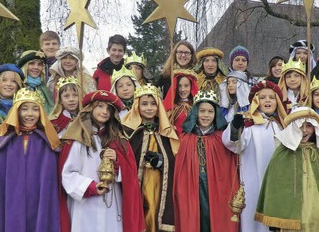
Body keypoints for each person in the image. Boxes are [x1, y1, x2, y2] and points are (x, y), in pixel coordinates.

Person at [58, 90, 145, 232]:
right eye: (99, 106)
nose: (104, 111)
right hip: (84, 205)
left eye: (108, 109)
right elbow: (67, 174)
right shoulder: (76, 139)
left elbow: (131, 175)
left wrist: (118, 162)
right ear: (90, 108)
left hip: (111, 204)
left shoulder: (119, 141)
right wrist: (90, 187)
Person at [256, 106, 319, 231]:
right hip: (289, 214)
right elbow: (274, 187)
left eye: (309, 126)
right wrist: (275, 219)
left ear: (315, 128)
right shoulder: (282, 152)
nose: (304, 130)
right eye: (300, 126)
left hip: (316, 210)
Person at [0, 88, 61, 231]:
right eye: (24, 109)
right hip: (12, 204)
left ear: (41, 113)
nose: (30, 114)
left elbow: (50, 184)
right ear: (16, 112)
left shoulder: (47, 144)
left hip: (38, 200)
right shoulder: (4, 144)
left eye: (35, 109)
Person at [223, 80, 288, 232]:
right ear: (256, 101)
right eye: (263, 97)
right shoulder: (249, 124)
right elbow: (232, 143)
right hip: (255, 185)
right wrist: (235, 127)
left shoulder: (283, 126)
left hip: (279, 184)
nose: (267, 101)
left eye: (271, 98)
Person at [174, 90, 239, 232]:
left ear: (216, 114)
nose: (206, 115)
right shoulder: (185, 138)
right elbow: (178, 167)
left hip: (218, 192)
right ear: (195, 113)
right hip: (191, 191)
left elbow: (231, 165)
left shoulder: (222, 138)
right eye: (202, 111)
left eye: (210, 111)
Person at [122, 84, 179, 231]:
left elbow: (173, 161)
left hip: (160, 184)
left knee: (155, 210)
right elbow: (126, 160)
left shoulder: (165, 132)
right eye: (144, 104)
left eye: (153, 104)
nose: (149, 108)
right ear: (137, 106)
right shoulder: (129, 133)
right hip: (137, 185)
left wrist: (161, 162)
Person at [163, 69, 199, 135]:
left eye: (186, 86)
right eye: (179, 86)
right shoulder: (172, 107)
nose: (182, 89)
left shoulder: (196, 107)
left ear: (191, 87)